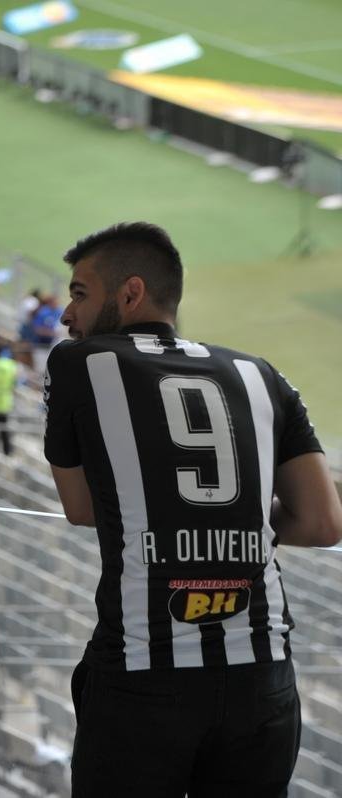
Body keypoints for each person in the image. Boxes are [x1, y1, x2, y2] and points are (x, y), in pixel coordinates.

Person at [44, 222, 342, 797]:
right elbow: (323, 521)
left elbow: (80, 507)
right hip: (263, 674)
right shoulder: (263, 374)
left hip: (143, 673)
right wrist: (241, 527)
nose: (66, 314)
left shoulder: (78, 362)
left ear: (130, 294)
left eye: (79, 293)